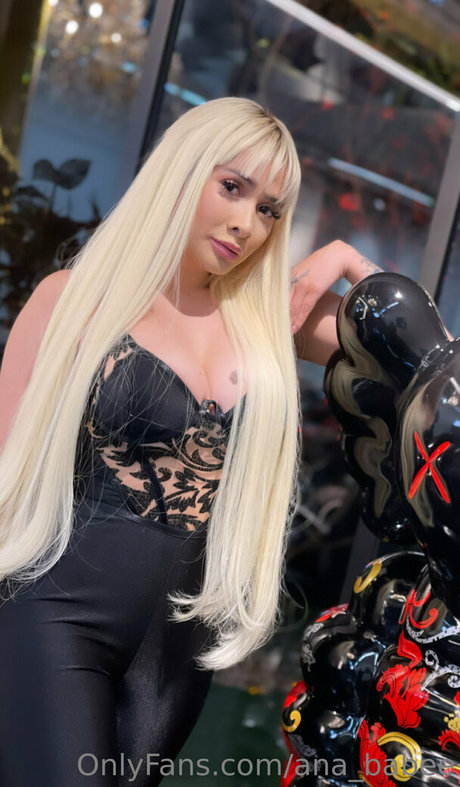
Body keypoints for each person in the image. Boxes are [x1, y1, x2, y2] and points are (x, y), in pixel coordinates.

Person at [0, 96, 381, 786]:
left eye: (269, 210)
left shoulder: (271, 322)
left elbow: (420, 356)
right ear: (183, 169)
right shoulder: (73, 299)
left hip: (177, 656)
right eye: (232, 186)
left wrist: (348, 260)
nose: (247, 223)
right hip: (52, 617)